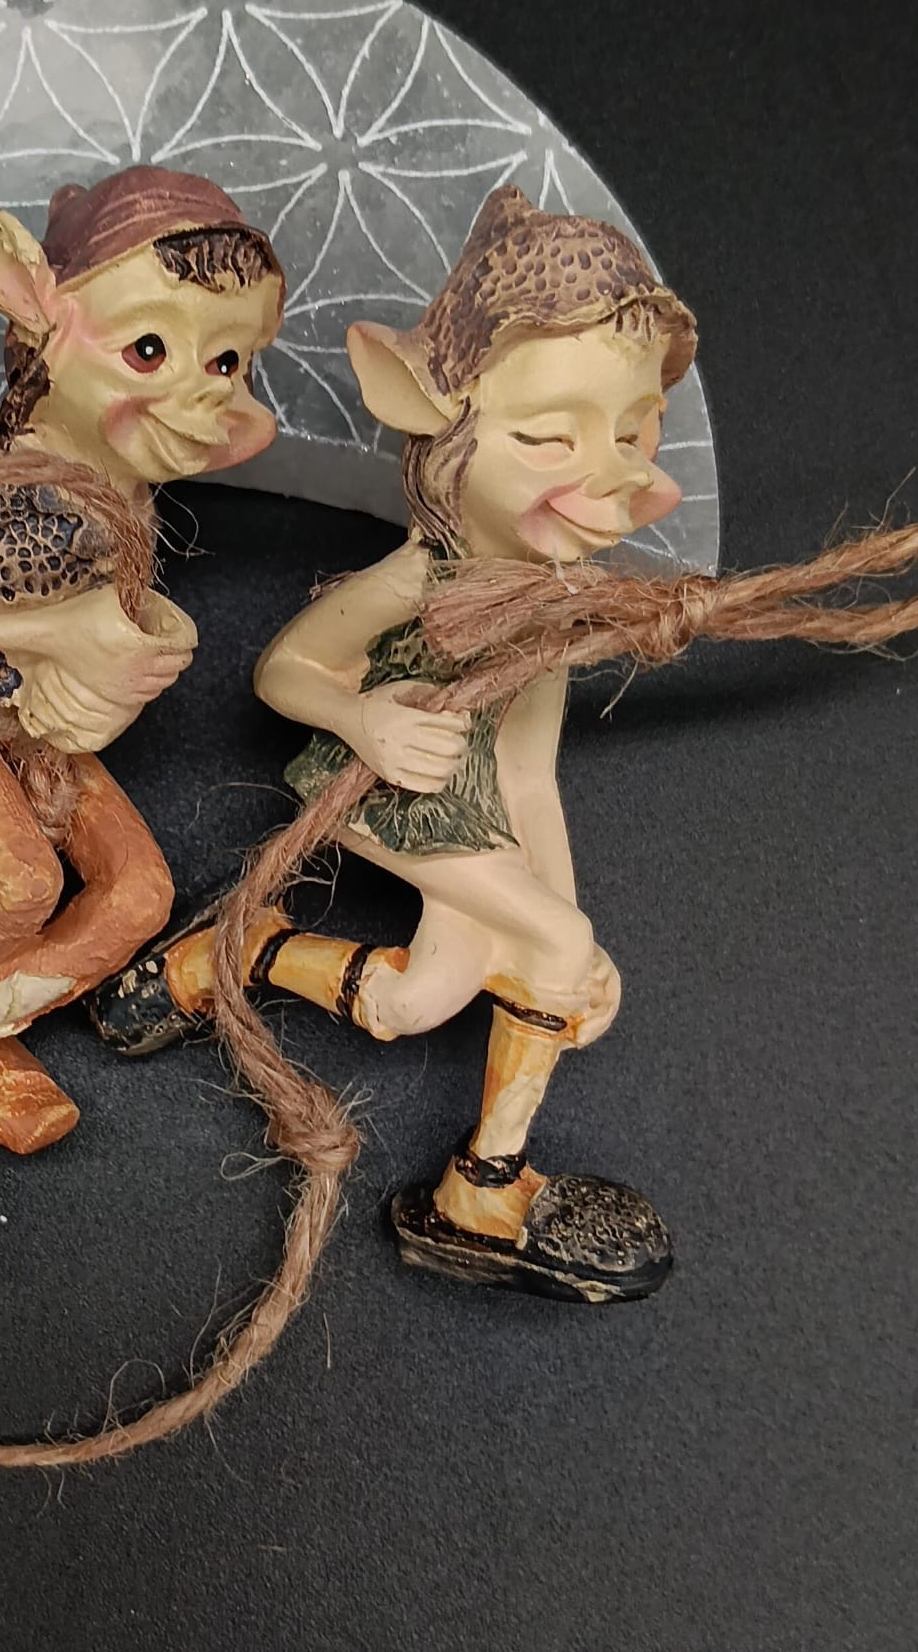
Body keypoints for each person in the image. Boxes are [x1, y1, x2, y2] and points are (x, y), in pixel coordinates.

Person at [87, 185, 695, 1302]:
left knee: (419, 1001)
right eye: (547, 435)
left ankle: (226, 956)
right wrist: (366, 717)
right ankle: (483, 1186)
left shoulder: (559, 602)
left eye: (631, 432)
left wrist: (556, 916)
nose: (612, 471)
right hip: (384, 782)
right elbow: (285, 671)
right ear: (437, 419)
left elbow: (526, 772)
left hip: (467, 801)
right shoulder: (423, 575)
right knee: (555, 951)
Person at [0, 166, 284, 1273]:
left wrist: (128, 651)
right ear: (39, 315)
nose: (206, 394)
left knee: (141, 892)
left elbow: (103, 621)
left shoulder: (128, 489)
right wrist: (54, 634)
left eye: (226, 362)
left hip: (33, 723)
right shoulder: (3, 478)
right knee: (25, 881)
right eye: (151, 348)